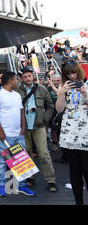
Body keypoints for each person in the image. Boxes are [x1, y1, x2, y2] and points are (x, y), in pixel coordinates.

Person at [0, 72, 36, 197]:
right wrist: (1, 131)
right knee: (2, 161)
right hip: (4, 135)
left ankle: (21, 186)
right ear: (10, 80)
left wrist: (23, 127)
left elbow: (21, 112)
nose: (18, 81)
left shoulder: (17, 95)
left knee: (21, 161)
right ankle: (1, 186)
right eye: (16, 79)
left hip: (17, 134)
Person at [17, 67, 58, 192]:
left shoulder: (42, 89)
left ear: (32, 76)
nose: (27, 79)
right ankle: (30, 177)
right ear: (21, 78)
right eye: (25, 77)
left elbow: (50, 106)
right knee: (26, 153)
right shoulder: (17, 91)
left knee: (43, 153)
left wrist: (44, 119)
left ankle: (51, 180)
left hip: (39, 125)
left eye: (29, 76)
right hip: (24, 127)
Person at [55, 60, 88, 205]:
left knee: (87, 169)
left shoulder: (86, 84)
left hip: (85, 131)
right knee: (74, 171)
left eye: (73, 72)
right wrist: (61, 93)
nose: (72, 76)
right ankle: (78, 202)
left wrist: (86, 95)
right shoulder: (64, 86)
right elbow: (59, 109)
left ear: (78, 71)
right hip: (69, 131)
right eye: (68, 74)